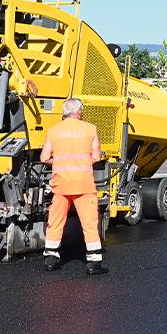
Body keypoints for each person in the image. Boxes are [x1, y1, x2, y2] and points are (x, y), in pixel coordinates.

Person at [40, 98, 107, 274]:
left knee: (55, 222)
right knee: (89, 223)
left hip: (61, 185)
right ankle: (93, 263)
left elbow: (44, 158)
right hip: (83, 184)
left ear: (65, 112)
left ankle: (51, 259)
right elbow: (97, 157)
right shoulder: (90, 129)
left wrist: (60, 162)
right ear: (79, 111)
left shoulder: (54, 131)